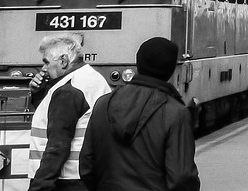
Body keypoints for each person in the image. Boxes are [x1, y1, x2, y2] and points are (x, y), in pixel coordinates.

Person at [78, 36, 199, 191]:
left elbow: (87, 164)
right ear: (171, 69)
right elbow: (181, 178)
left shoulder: (103, 104)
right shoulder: (175, 112)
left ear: (138, 62)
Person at [28, 33, 111, 191]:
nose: (43, 69)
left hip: (65, 180)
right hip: (88, 176)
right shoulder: (93, 78)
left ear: (63, 61)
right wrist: (40, 94)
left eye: (46, 63)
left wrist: (40, 185)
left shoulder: (67, 90)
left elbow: (57, 145)